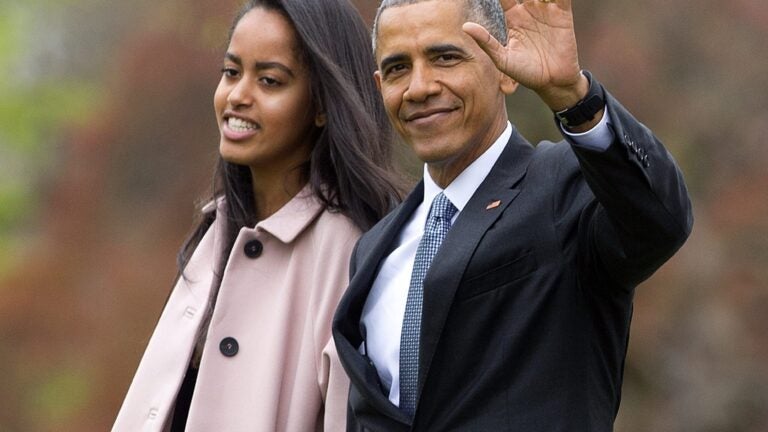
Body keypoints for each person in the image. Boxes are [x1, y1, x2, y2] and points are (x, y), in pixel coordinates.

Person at [332, 0, 693, 430]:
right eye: (397, 69)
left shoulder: (564, 186)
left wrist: (575, 99)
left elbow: (660, 221)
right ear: (379, 86)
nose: (419, 87)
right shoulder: (374, 248)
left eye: (445, 57)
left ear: (504, 69)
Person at [112, 0, 403, 430]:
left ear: (322, 104)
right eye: (231, 72)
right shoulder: (217, 232)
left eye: (269, 80)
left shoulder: (347, 250)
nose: (237, 96)